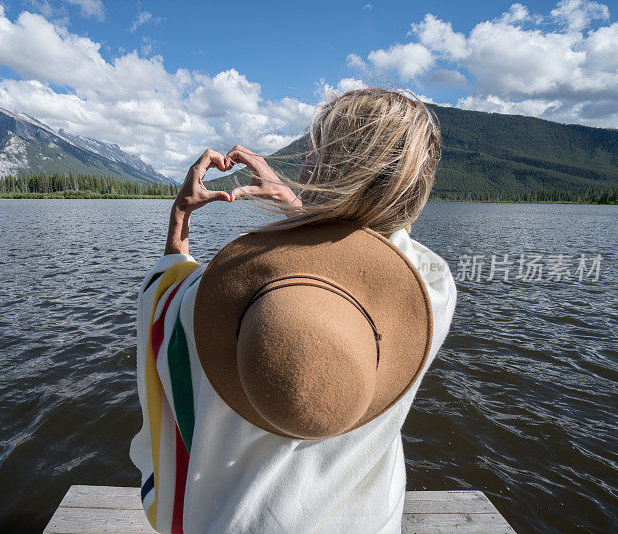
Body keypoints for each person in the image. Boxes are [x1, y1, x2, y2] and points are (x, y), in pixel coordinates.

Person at [129, 88, 457, 533]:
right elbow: (356, 255)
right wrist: (301, 209)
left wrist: (180, 219)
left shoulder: (206, 298)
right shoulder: (430, 291)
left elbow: (162, 305)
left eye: (312, 154)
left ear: (326, 172)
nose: (303, 167)